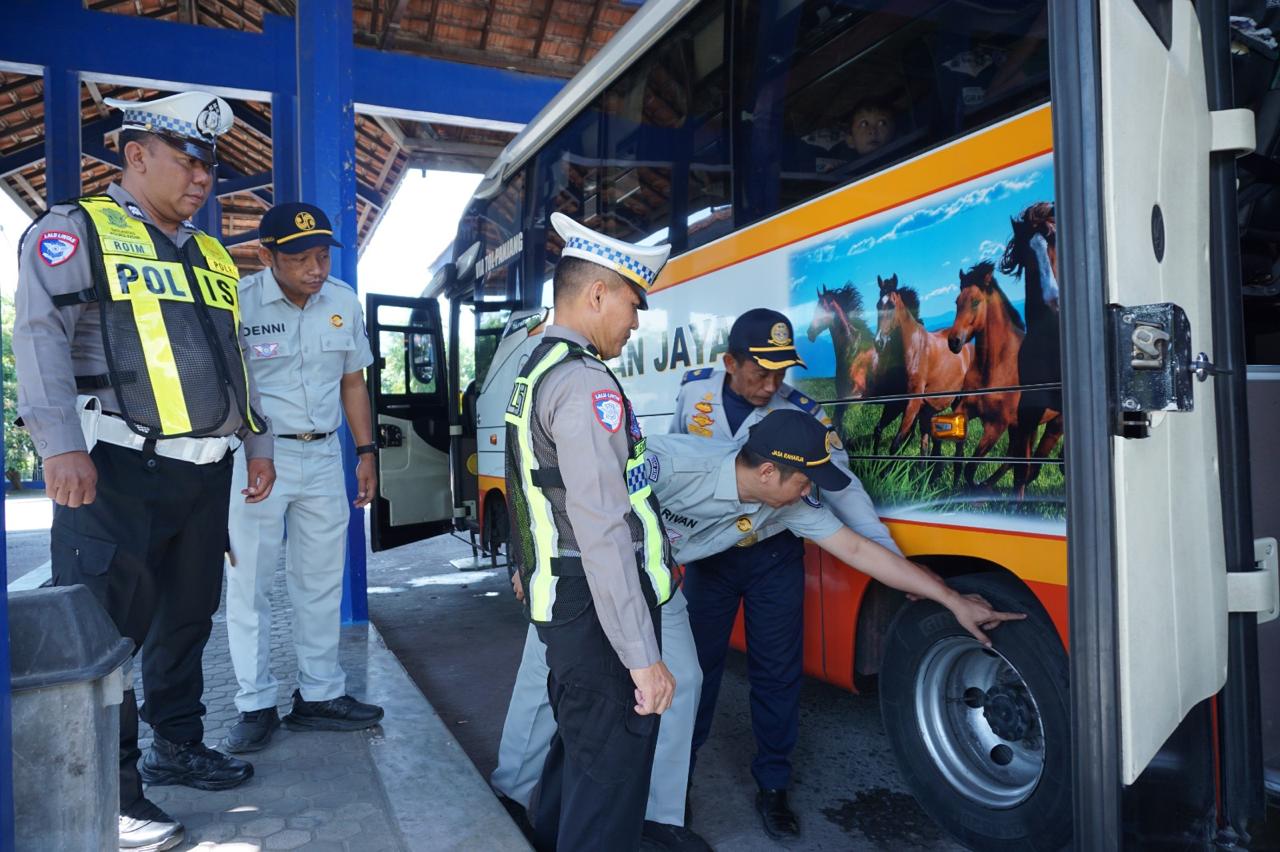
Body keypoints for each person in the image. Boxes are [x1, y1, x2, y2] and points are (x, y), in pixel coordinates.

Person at [13, 91, 275, 852]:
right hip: (114, 470)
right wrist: (59, 445)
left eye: (210, 166)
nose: (204, 178)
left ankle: (178, 745)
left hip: (204, 475)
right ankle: (115, 789)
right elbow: (39, 336)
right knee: (105, 634)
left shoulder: (212, 252)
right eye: (189, 161)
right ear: (137, 156)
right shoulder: (76, 231)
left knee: (188, 618)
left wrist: (255, 445)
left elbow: (238, 362)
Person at [670, 308, 903, 839]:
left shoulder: (803, 412)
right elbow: (679, 464)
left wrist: (890, 558)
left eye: (781, 372)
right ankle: (674, 781)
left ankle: (774, 785)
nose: (771, 385)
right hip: (711, 559)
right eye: (760, 371)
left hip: (774, 558)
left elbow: (844, 488)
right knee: (694, 672)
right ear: (730, 362)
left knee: (778, 676)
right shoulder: (693, 395)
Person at [504, 212, 678, 851]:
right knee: (610, 776)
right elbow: (603, 529)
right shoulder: (583, 383)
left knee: (583, 753)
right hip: (598, 610)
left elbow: (537, 500)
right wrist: (643, 657)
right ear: (597, 293)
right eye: (634, 303)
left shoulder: (538, 365)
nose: (636, 322)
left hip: (571, 603)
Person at [222, 203, 383, 755]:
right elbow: (230, 388)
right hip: (257, 461)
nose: (315, 268)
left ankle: (318, 695)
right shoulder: (240, 303)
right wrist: (250, 450)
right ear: (268, 257)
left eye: (321, 255)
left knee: (319, 583)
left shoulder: (341, 300)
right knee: (251, 585)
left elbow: (353, 383)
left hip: (322, 459)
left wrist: (365, 453)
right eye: (300, 258)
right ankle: (254, 703)